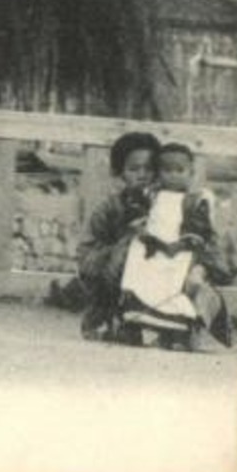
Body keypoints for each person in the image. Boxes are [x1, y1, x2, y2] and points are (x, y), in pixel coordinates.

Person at [117, 142, 234, 351]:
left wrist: (183, 243)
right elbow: (136, 212)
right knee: (140, 278)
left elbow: (199, 228)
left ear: (191, 173)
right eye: (166, 170)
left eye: (179, 170)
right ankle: (134, 324)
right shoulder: (152, 196)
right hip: (151, 249)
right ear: (158, 172)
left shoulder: (195, 200)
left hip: (179, 250)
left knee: (174, 287)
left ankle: (178, 331)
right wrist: (141, 226)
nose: (173, 176)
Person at [75, 132, 161, 340]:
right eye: (133, 169)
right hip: (112, 278)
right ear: (120, 172)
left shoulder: (165, 205)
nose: (142, 175)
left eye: (149, 169)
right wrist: (127, 239)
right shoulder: (109, 208)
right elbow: (86, 257)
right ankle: (107, 315)